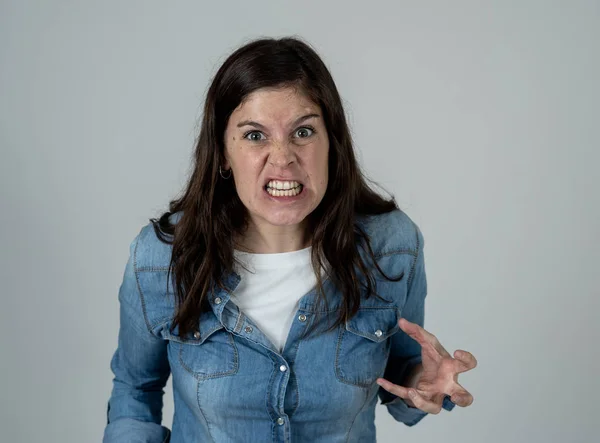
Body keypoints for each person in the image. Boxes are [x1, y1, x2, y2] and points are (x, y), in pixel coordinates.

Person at [102, 36, 477, 443]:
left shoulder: (391, 246)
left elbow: (403, 375)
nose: (282, 158)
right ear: (223, 151)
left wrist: (423, 382)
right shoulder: (161, 258)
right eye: (255, 136)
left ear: (331, 142)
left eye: (303, 131)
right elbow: (134, 390)